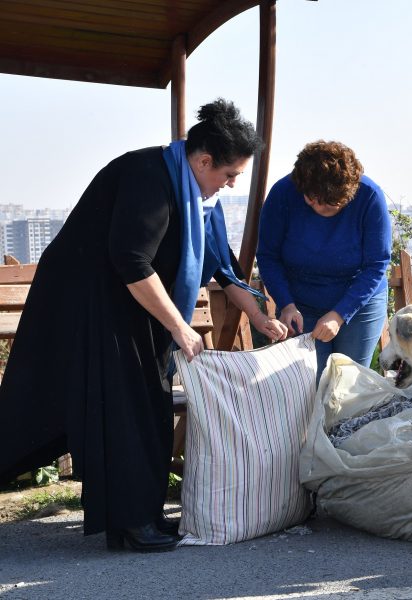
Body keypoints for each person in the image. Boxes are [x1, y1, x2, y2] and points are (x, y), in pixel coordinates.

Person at [0, 99, 289, 552]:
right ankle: (132, 525)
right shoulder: (149, 176)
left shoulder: (195, 192)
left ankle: (142, 517)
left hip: (133, 309)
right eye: (229, 174)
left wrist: (258, 315)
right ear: (205, 160)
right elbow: (131, 259)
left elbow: (222, 265)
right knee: (126, 410)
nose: (231, 185)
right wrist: (180, 326)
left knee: (148, 405)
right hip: (91, 306)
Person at [256, 141, 391, 380]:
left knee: (348, 382)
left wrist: (339, 314)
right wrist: (286, 304)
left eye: (330, 204)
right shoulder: (282, 193)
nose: (318, 207)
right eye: (311, 199)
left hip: (359, 301)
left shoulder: (370, 196)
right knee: (310, 382)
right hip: (299, 302)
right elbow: (268, 255)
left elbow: (377, 263)